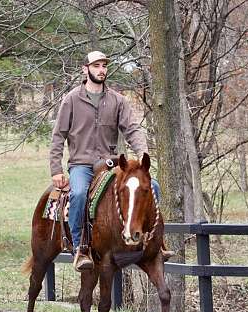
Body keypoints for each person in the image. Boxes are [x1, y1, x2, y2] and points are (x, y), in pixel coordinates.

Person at [49, 51, 172, 271]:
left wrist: (142, 154)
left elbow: (132, 129)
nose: (101, 70)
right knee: (77, 194)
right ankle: (80, 248)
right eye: (96, 66)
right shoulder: (72, 100)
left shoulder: (117, 100)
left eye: (104, 65)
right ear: (85, 69)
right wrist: (56, 169)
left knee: (152, 186)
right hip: (82, 165)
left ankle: (154, 241)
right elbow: (58, 135)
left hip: (111, 164)